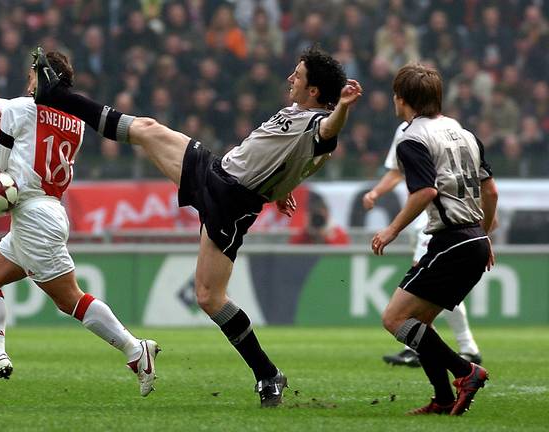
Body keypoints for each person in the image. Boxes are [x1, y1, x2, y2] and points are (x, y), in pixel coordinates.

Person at [31, 46, 362, 407]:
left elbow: (328, 132)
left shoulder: (320, 123)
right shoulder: (299, 113)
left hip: (231, 204)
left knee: (209, 297)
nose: (290, 79)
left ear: (314, 91)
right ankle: (57, 96)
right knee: (146, 128)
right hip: (216, 170)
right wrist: (283, 189)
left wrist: (343, 106)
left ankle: (267, 374)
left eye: (297, 76)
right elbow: (285, 155)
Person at [0, 50, 160, 397]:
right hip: (46, 208)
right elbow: (27, 114)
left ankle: (135, 350)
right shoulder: (76, 122)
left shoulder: (21, 110)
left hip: (33, 215)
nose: (28, 82)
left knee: (69, 300)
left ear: (43, 78)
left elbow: (0, 164)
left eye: (33, 76)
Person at [371, 63, 497, 416]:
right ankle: (443, 399)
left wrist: (391, 230)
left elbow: (425, 191)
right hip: (472, 239)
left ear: (403, 99)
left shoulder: (411, 138)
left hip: (450, 240)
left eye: (396, 94)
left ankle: (466, 371)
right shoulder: (465, 134)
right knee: (418, 324)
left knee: (394, 319)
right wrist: (484, 237)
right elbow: (492, 192)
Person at [364, 122, 483, 368]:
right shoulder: (412, 130)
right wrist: (376, 192)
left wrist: (392, 229)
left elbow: (431, 187)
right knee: (436, 287)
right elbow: (397, 171)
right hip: (426, 218)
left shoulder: (433, 130)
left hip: (440, 219)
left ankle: (460, 350)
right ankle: (464, 349)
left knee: (431, 286)